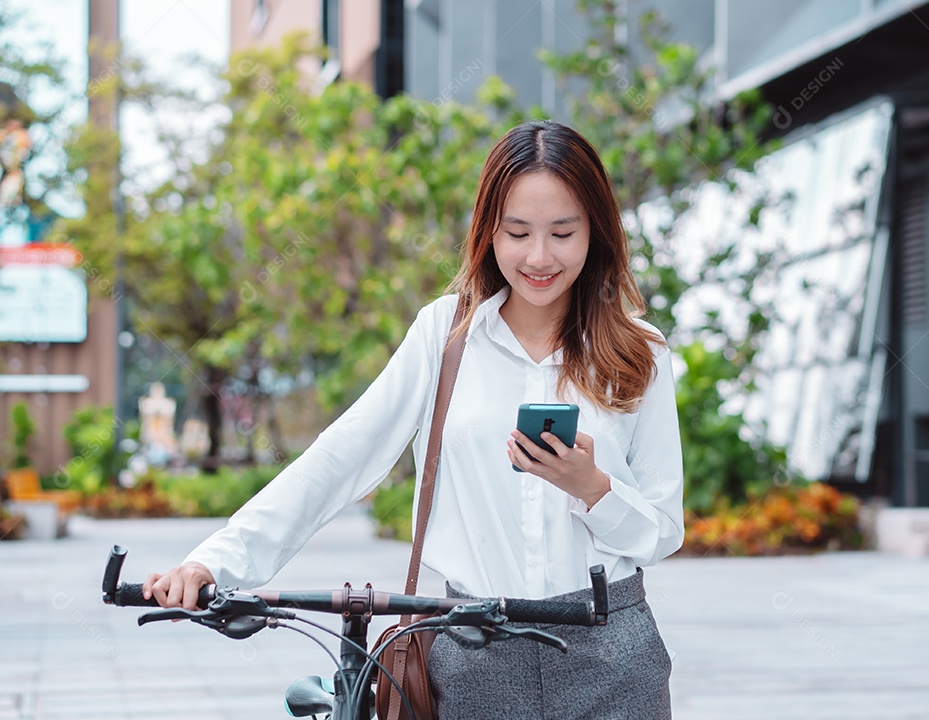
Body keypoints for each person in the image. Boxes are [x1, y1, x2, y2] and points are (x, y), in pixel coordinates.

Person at [144, 119, 684, 719]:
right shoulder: (444, 336)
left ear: (596, 231)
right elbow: (340, 458)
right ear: (488, 232)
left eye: (563, 232)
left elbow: (661, 531)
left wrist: (592, 488)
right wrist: (213, 562)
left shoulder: (639, 351)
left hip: (610, 653)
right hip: (475, 651)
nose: (539, 256)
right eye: (517, 232)